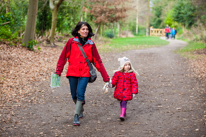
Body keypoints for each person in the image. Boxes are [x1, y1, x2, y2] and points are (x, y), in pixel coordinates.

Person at [55, 21, 110, 126]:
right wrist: (58, 71)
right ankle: (80, 107)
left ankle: (76, 116)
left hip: (85, 73)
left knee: (80, 93)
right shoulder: (71, 42)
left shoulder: (91, 44)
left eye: (87, 29)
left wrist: (106, 77)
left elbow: (98, 61)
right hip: (72, 72)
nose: (85, 31)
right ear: (78, 30)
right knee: (73, 95)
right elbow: (63, 58)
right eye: (83, 29)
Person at [107, 57, 139, 121]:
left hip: (127, 91)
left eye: (128, 65)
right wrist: (110, 84)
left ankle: (122, 114)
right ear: (122, 66)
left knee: (124, 101)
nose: (127, 66)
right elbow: (114, 81)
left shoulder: (131, 74)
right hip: (119, 91)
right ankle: (123, 112)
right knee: (122, 101)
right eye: (125, 65)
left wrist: (134, 92)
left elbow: (134, 83)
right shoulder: (118, 73)